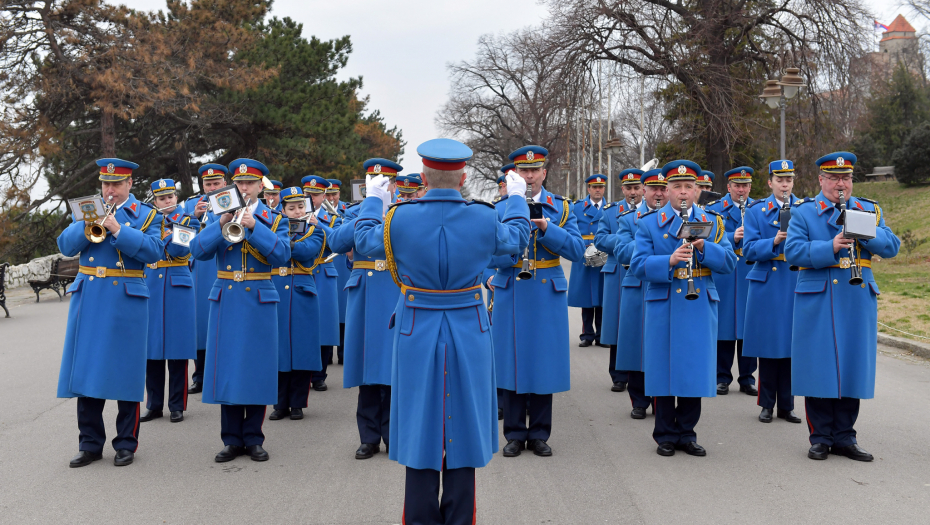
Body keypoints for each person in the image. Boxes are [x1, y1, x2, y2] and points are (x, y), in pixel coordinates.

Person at [355, 138, 530, 525]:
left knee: (419, 425)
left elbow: (365, 242)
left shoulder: (397, 217)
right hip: (469, 325)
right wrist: (516, 199)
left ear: (425, 174)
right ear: (464, 176)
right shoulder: (484, 217)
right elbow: (516, 243)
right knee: (464, 427)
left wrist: (372, 201)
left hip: (417, 327)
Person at [785, 152, 900, 461]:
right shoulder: (805, 212)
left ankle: (846, 437)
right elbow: (793, 251)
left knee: (852, 366)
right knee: (818, 366)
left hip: (856, 296)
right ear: (821, 180)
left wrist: (867, 232)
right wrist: (830, 247)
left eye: (846, 178)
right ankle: (820, 436)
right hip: (819, 296)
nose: (841, 184)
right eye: (834, 178)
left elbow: (892, 246)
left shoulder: (868, 209)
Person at [57, 158, 163, 467]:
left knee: (126, 371)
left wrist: (118, 229)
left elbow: (155, 251)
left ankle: (126, 443)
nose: (110, 190)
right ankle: (89, 444)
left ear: (130, 184)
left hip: (126, 298)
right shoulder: (89, 208)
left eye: (116, 184)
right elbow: (65, 245)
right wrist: (88, 225)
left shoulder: (146, 214)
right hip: (90, 295)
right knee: (88, 369)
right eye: (105, 184)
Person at [630, 160, 736, 457]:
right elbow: (638, 265)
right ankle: (664, 433)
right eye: (677, 187)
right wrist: (668, 261)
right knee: (663, 367)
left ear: (698, 190)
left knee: (694, 367)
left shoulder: (712, 222)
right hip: (664, 300)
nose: (683, 193)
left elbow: (729, 263)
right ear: (667, 190)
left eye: (689, 187)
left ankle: (687, 432)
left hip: (699, 299)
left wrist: (704, 247)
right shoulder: (650, 222)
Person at [190, 158, 290, 463]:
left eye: (250, 183)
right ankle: (231, 439)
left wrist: (254, 227)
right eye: (240, 183)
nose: (244, 188)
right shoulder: (219, 214)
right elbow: (197, 251)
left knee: (256, 368)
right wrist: (221, 224)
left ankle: (254, 438)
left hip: (259, 296)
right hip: (227, 297)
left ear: (261, 186)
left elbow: (283, 255)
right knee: (229, 369)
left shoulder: (274, 218)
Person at [490, 145, 585, 458]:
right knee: (511, 360)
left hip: (546, 290)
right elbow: (485, 251)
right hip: (512, 285)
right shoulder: (500, 208)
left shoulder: (563, 208)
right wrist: (487, 277)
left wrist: (547, 228)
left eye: (535, 170)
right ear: (514, 174)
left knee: (544, 362)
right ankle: (515, 433)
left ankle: (540, 433)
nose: (529, 176)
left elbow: (576, 250)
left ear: (544, 172)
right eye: (523, 171)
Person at [327, 158, 402, 460]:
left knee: (394, 370)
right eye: (374, 179)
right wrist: (370, 206)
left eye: (386, 180)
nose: (381, 184)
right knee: (368, 370)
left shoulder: (404, 213)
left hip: (395, 290)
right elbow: (334, 240)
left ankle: (393, 433)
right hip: (366, 294)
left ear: (396, 184)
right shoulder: (355, 212)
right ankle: (369, 436)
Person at [742, 160, 802, 424]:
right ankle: (766, 404)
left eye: (788, 179)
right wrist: (774, 241)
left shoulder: (805, 208)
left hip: (795, 279)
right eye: (779, 180)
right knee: (768, 346)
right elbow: (749, 249)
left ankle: (786, 406)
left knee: (791, 346)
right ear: (770, 183)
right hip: (767, 282)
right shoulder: (756, 210)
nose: (785, 184)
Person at [141, 179, 199, 424]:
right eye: (162, 198)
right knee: (151, 350)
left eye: (171, 197)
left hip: (178, 284)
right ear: (154, 201)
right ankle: (154, 405)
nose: (167, 201)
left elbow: (177, 250)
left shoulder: (189, 220)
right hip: (152, 283)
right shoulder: (147, 221)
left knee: (177, 349)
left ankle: (177, 405)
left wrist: (163, 231)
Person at [615, 168, 667, 419]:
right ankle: (638, 400)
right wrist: (650, 236)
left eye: (662, 188)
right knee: (636, 344)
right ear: (643, 191)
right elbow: (622, 252)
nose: (658, 193)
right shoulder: (628, 218)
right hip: (636, 285)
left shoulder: (677, 218)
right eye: (653, 188)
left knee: (660, 344)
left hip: (665, 286)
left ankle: (661, 399)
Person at [269, 187, 325, 421]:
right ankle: (279, 402)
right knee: (279, 348)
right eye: (291, 208)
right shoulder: (272, 228)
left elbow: (306, 251)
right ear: (282, 210)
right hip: (277, 291)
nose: (296, 211)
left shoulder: (316, 230)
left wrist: (281, 244)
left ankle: (298, 403)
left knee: (302, 348)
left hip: (302, 291)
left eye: (301, 206)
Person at [706, 167, 758, 397]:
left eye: (745, 185)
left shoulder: (758, 208)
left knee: (749, 327)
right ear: (728, 187)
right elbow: (707, 237)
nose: (741, 190)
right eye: (737, 185)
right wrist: (731, 236)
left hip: (749, 272)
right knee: (724, 328)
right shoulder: (714, 209)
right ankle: (722, 377)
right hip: (725, 274)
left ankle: (747, 378)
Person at [594, 168, 642, 392]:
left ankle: (638, 372)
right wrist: (624, 240)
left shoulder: (653, 211)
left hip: (639, 272)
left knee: (636, 322)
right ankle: (618, 375)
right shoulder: (611, 212)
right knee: (616, 324)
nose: (633, 192)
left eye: (636, 188)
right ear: (622, 189)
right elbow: (600, 239)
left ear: (643, 188)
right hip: (616, 272)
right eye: (629, 188)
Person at [184, 163, 227, 395]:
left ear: (224, 183)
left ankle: (219, 373)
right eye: (207, 184)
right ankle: (199, 376)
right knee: (201, 325)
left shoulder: (231, 200)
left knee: (222, 324)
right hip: (200, 269)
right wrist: (194, 216)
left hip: (221, 266)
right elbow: (182, 235)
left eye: (216, 183)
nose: (211, 187)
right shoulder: (191, 204)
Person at [302, 175, 342, 391]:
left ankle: (319, 375)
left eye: (315, 195)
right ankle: (303, 372)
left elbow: (339, 241)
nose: (311, 198)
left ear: (324, 196)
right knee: (303, 323)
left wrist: (319, 226)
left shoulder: (333, 218)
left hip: (324, 271)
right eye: (308, 194)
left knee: (324, 325)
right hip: (301, 273)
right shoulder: (293, 214)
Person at [569, 174, 608, 348]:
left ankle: (601, 334)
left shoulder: (610, 208)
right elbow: (571, 229)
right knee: (586, 298)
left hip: (604, 256)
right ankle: (587, 334)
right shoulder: (577, 208)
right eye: (594, 187)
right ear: (588, 189)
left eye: (600, 187)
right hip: (583, 256)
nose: (597, 190)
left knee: (602, 297)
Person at [326, 178, 349, 365]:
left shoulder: (347, 210)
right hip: (329, 264)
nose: (331, 197)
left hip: (342, 265)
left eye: (334, 194)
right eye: (328, 194)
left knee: (344, 311)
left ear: (339, 194)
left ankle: (343, 353)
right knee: (330, 311)